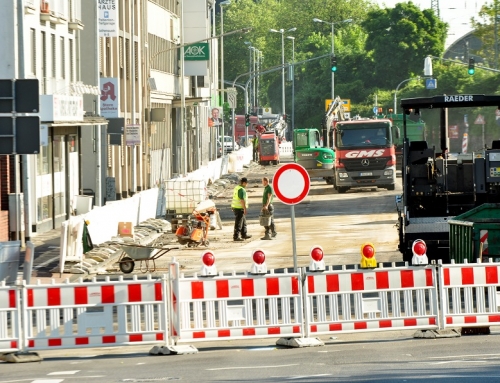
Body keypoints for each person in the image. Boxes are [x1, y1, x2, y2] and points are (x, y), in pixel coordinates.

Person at [231, 177, 252, 242]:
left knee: (243, 222)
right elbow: (242, 200)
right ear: (244, 183)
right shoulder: (241, 190)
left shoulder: (237, 188)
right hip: (239, 208)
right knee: (239, 223)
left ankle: (244, 234)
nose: (246, 184)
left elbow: (234, 197)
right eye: (246, 183)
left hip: (236, 207)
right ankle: (236, 236)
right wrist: (244, 208)